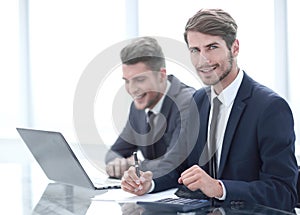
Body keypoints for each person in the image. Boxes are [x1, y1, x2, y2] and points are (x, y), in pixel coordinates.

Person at [120, 9, 298, 212]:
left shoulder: (270, 107)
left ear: (235, 48)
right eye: (195, 50)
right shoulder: (199, 100)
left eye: (212, 47)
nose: (202, 60)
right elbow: (181, 168)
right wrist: (147, 183)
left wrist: (219, 188)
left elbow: (284, 192)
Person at [105, 37, 195, 179]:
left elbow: (173, 163)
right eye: (127, 81)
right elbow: (114, 153)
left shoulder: (188, 102)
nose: (132, 89)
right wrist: (117, 164)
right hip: (152, 192)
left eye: (140, 80)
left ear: (161, 76)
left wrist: (134, 165)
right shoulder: (138, 106)